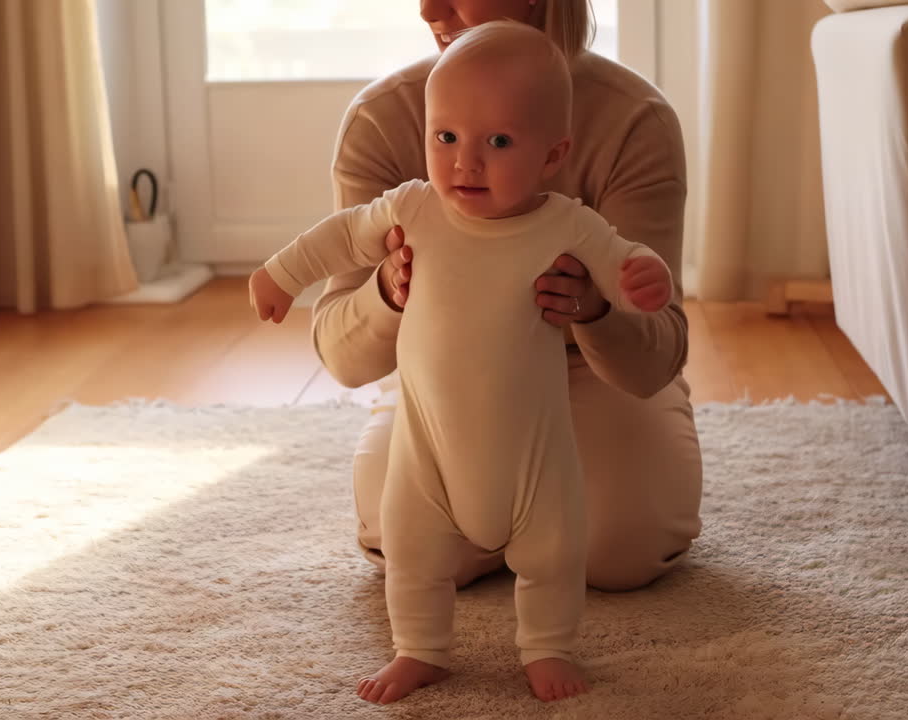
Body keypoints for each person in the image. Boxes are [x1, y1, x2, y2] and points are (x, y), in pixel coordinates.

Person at [249, 21, 673, 704]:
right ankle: (421, 648)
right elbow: (339, 237)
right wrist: (280, 275)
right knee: (408, 546)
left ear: (553, 153)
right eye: (444, 138)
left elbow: (625, 257)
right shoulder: (413, 207)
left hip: (537, 446)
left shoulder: (566, 221)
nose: (463, 163)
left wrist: (636, 281)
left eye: (497, 143)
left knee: (559, 548)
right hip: (429, 441)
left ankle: (546, 646)